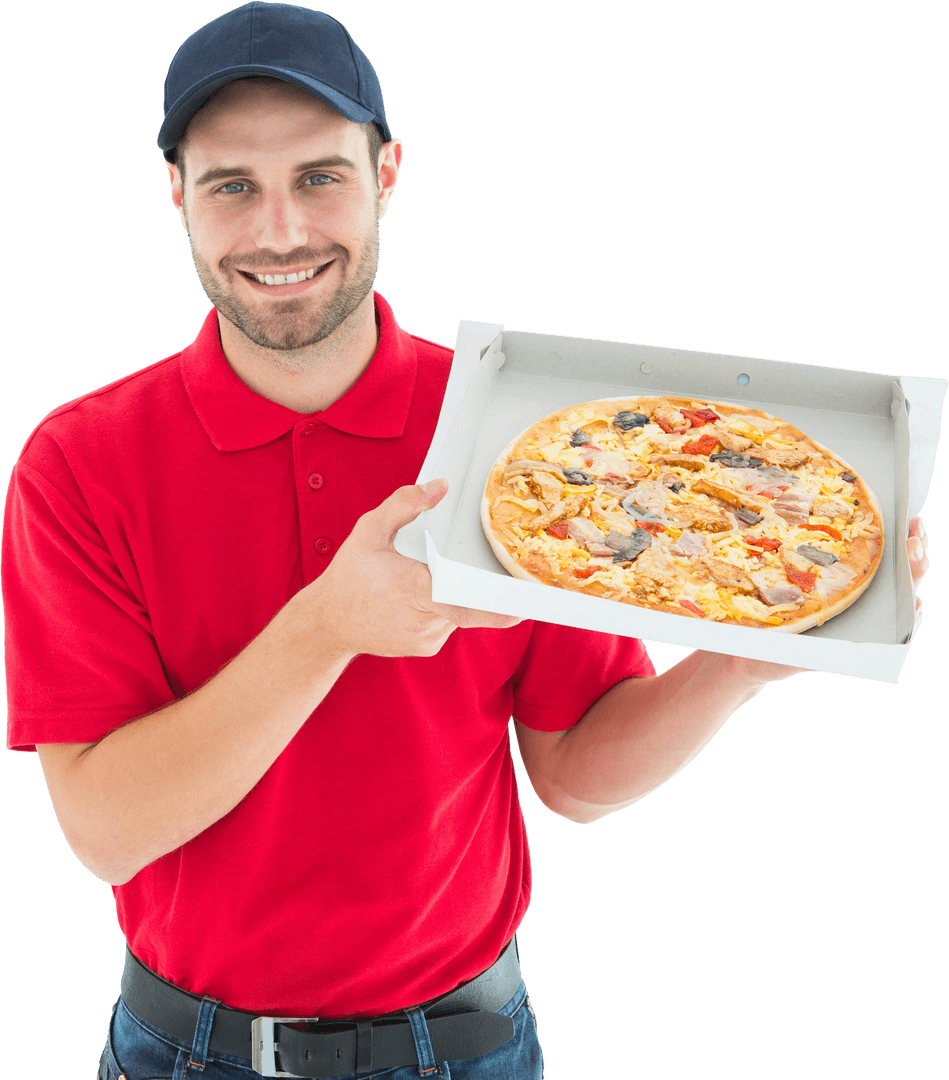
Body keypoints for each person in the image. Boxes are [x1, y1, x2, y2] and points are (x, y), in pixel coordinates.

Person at [0, 4, 931, 1079]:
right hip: (182, 1050)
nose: (281, 232)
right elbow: (106, 833)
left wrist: (736, 663)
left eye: (319, 176)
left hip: (468, 1046)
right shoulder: (79, 463)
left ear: (386, 173)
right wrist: (328, 628)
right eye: (232, 186)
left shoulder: (505, 438)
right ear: (177, 198)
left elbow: (577, 775)